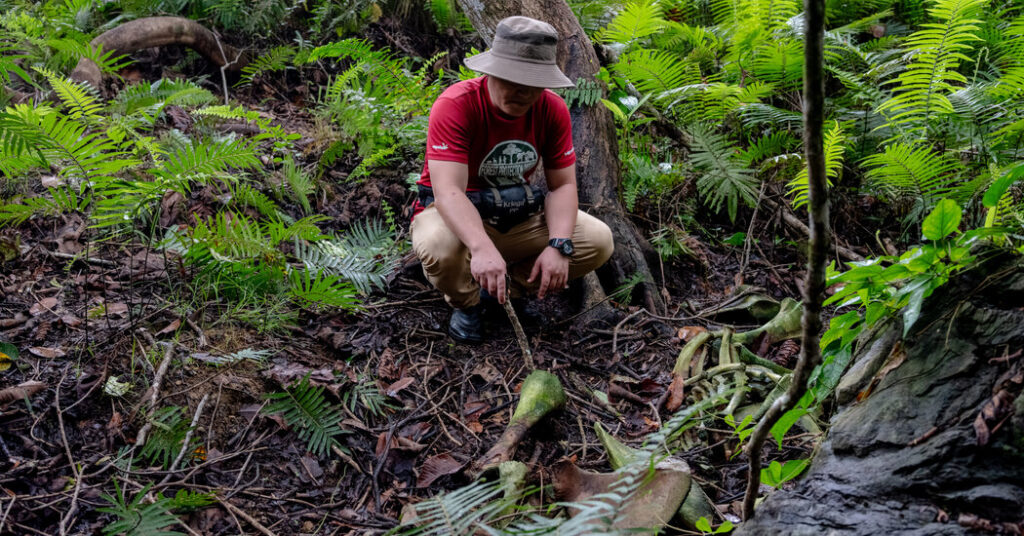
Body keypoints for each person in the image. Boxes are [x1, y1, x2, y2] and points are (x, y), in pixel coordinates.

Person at [411, 15, 614, 343]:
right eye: (512, 78)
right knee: (438, 246)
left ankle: (504, 290)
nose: (522, 91)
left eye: (533, 82)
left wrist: (559, 244)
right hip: (455, 218)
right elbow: (448, 192)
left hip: (515, 213)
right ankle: (468, 302)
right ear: (491, 71)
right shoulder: (456, 105)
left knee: (598, 239)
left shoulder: (552, 110)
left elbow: (562, 185)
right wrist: (481, 247)